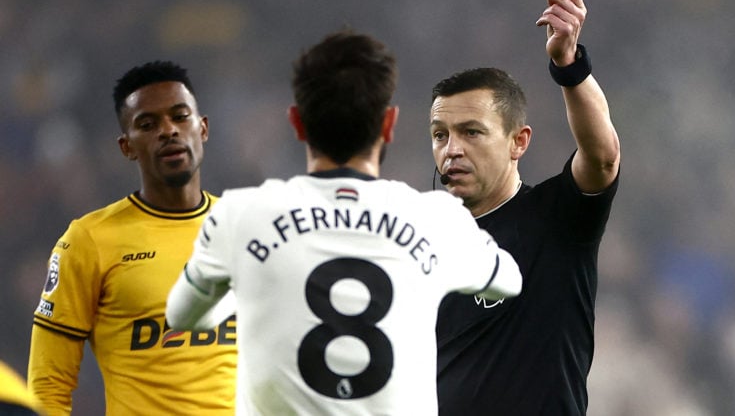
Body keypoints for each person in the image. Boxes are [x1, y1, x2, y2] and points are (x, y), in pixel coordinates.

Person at [165, 28, 523, 415]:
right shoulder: (436, 218)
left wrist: (253, 291)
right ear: (388, 124)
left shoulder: (239, 216)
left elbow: (181, 315)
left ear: (297, 123)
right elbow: (509, 281)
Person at [430, 0, 621, 415]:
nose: (452, 149)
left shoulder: (557, 219)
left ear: (519, 142)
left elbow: (603, 158)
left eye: (471, 132)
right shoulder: (420, 246)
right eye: (440, 135)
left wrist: (569, 65)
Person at [27, 61, 237, 415]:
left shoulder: (246, 229)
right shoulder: (89, 241)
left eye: (180, 116)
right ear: (127, 147)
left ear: (202, 129)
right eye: (148, 124)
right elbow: (49, 382)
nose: (168, 131)